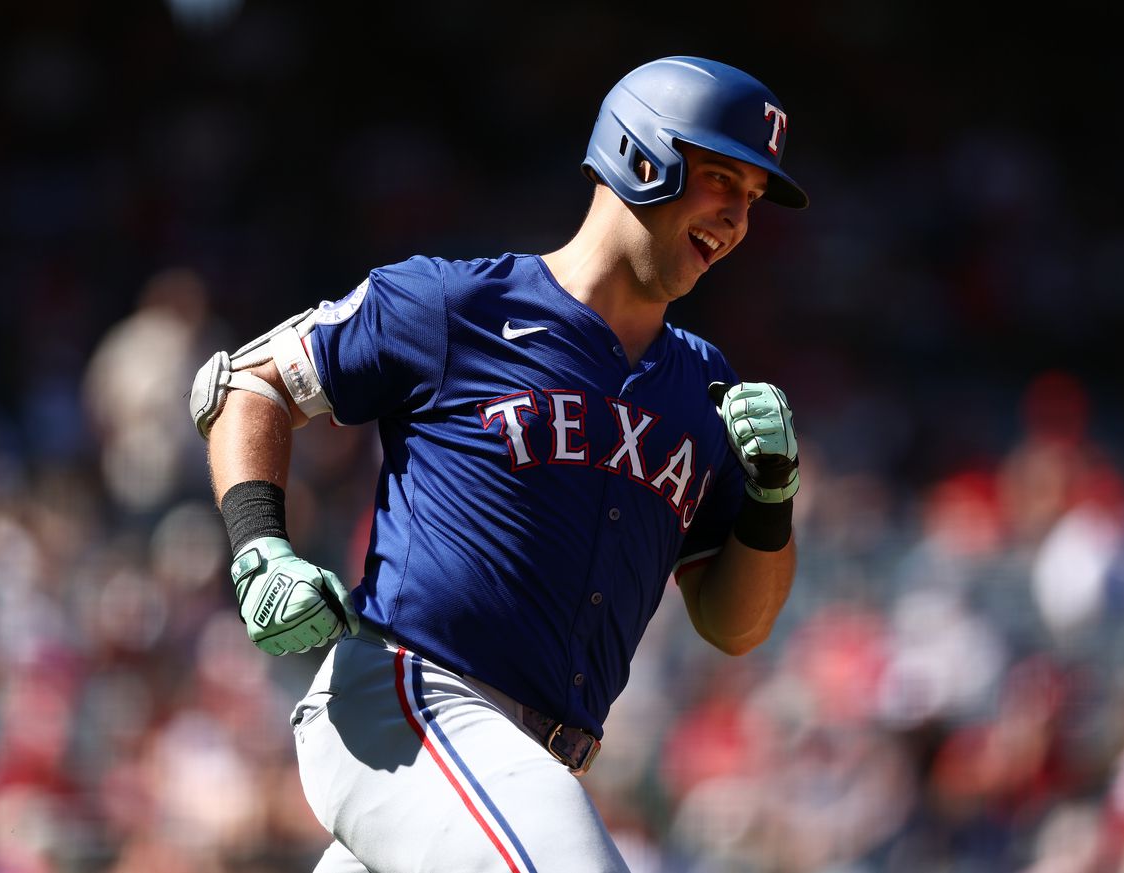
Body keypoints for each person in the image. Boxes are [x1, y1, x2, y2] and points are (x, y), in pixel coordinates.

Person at [189, 55, 808, 873]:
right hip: (416, 701)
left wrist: (772, 497)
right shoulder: (457, 304)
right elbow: (247, 384)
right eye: (723, 178)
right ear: (642, 156)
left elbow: (735, 624)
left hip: (531, 766)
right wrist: (259, 545)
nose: (737, 217)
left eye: (754, 200)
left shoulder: (707, 385)